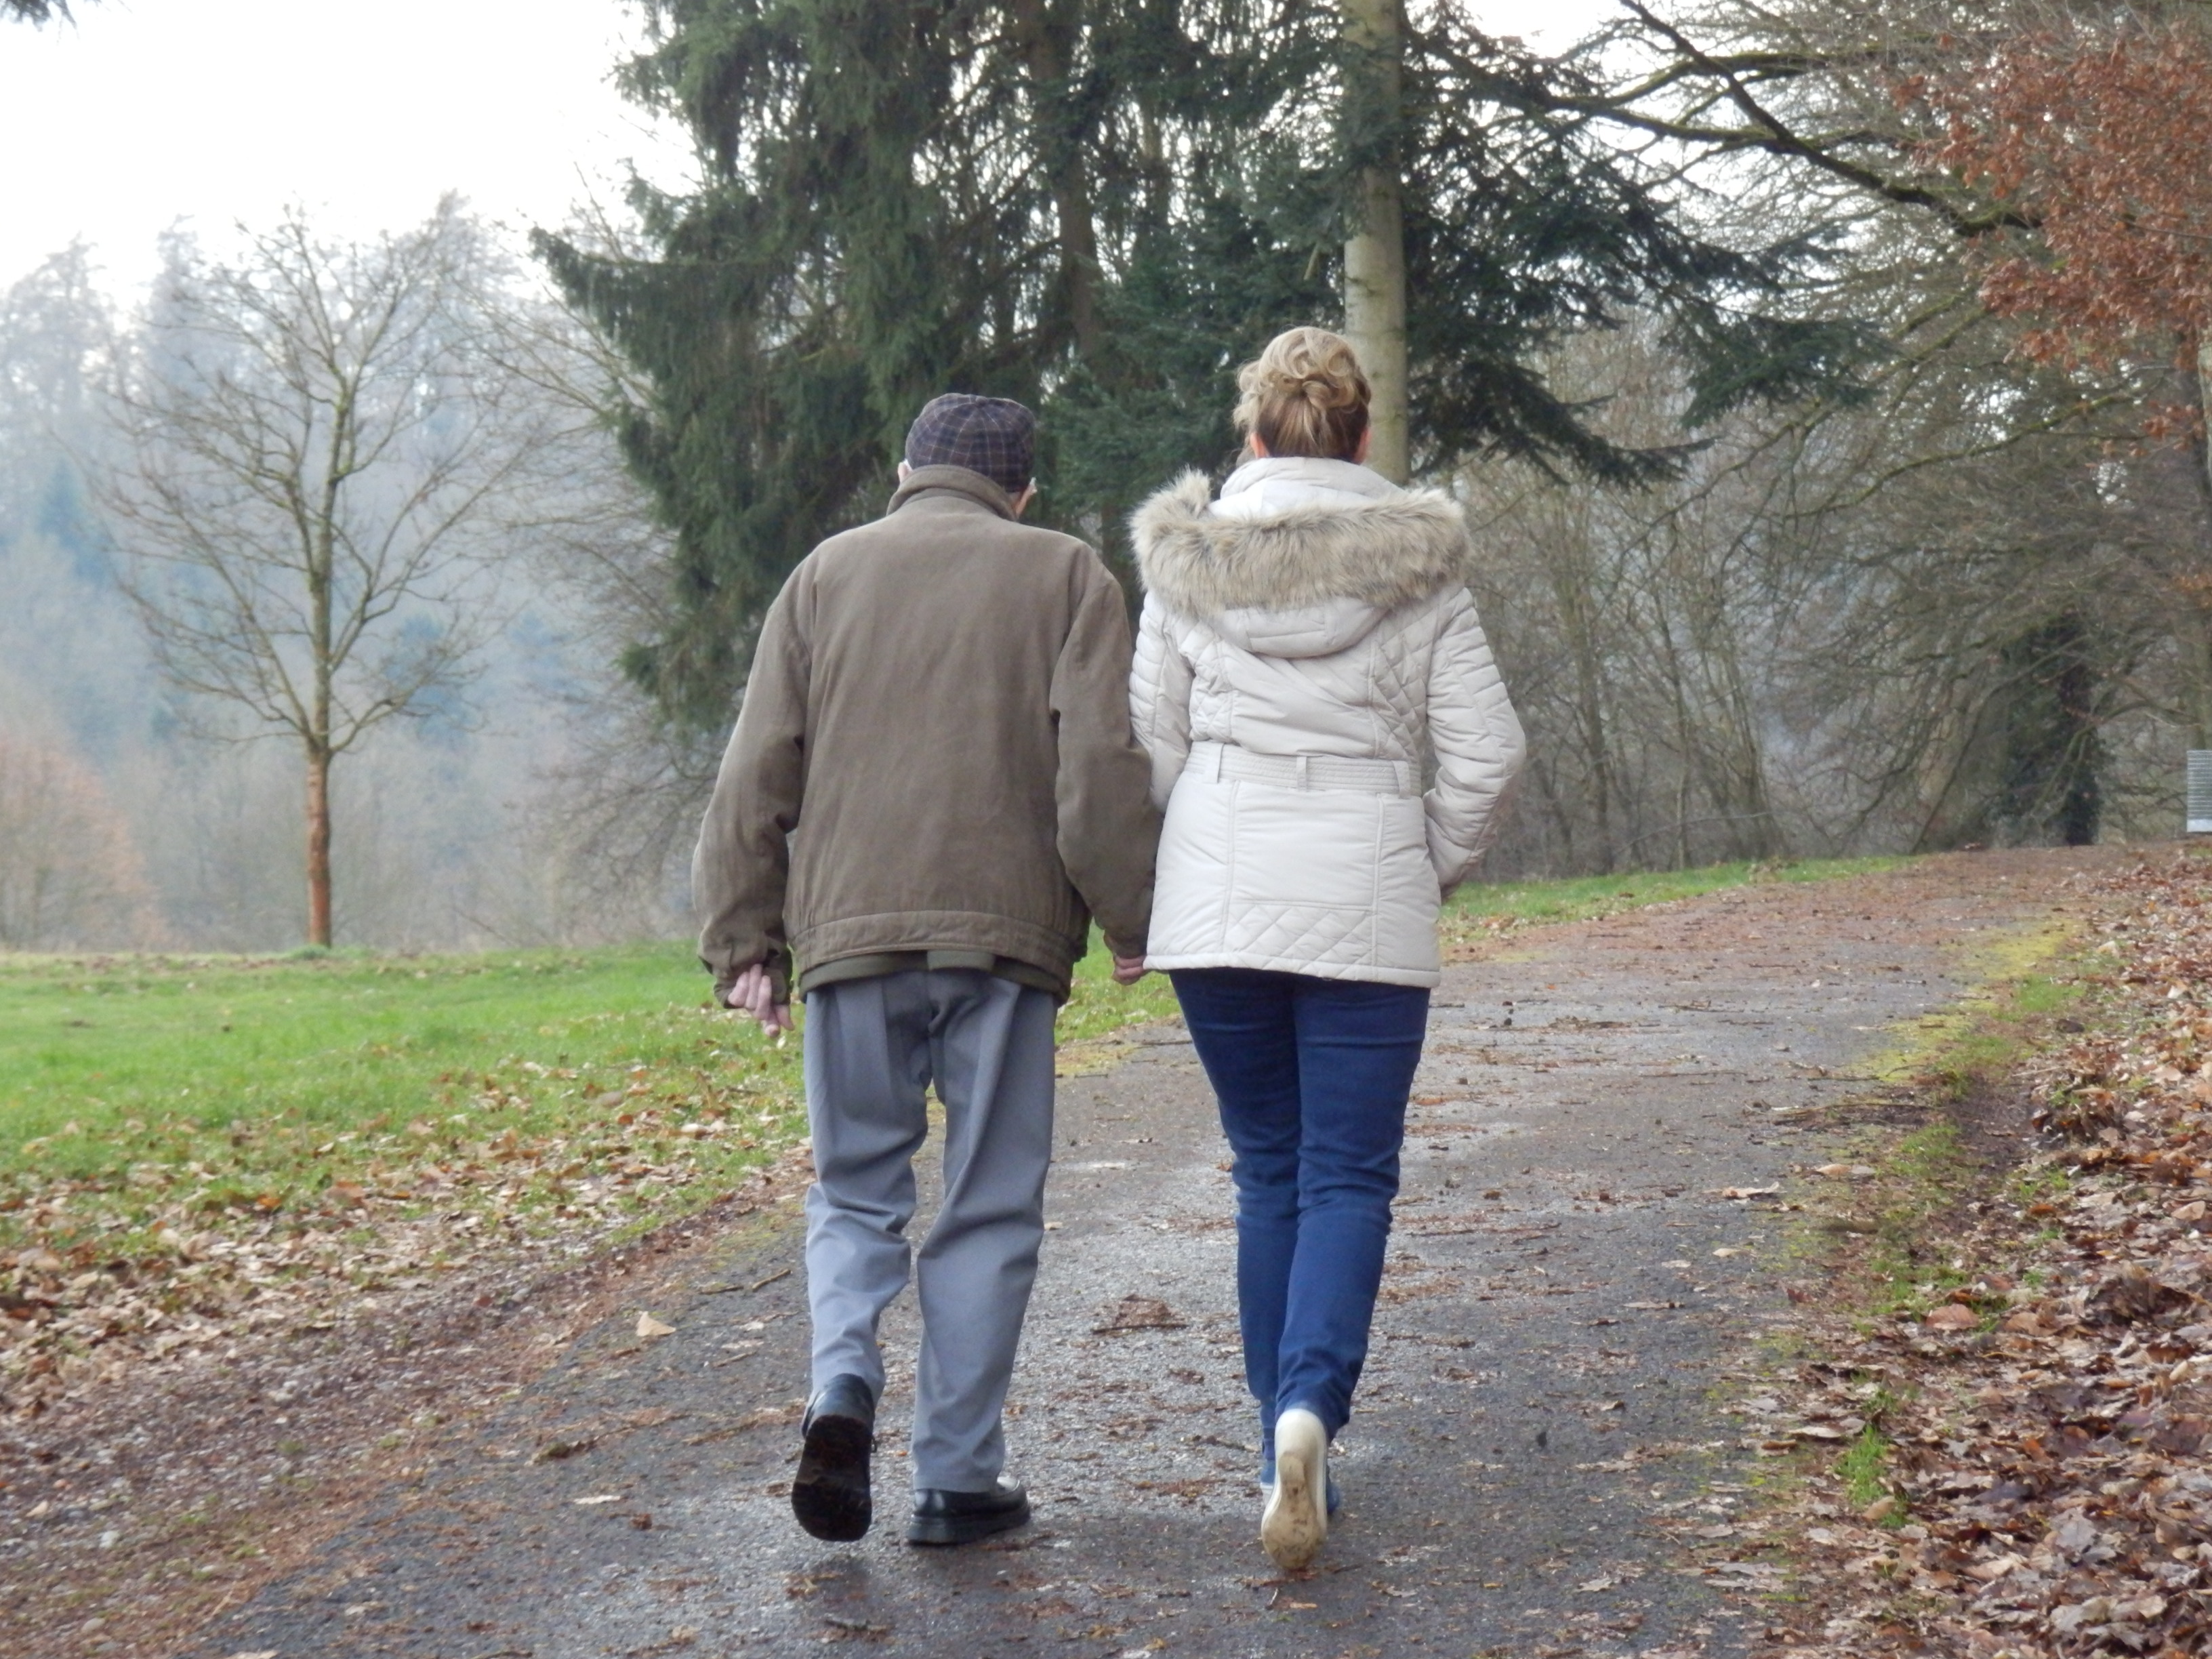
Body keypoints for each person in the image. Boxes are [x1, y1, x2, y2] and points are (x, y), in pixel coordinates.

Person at [694, 392, 1159, 1547]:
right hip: (1006, 943)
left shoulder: (824, 574)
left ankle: (842, 1385)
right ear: (1022, 492)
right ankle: (956, 1477)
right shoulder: (1068, 574)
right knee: (989, 1204)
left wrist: (744, 940)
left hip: (850, 940)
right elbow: (1097, 768)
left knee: (855, 1191)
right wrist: (1132, 917)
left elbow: (757, 767)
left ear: (906, 471)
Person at [1127, 327, 1525, 1570]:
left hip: (1219, 900)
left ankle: (1275, 1449)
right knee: (1347, 1176)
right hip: (1366, 887)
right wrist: (1425, 859)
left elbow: (1152, 742)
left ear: (1253, 433)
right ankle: (1311, 1408)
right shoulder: (1424, 571)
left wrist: (1201, 846)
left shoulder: (1185, 569)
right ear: (1360, 438)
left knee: (1268, 1170)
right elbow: (1489, 754)